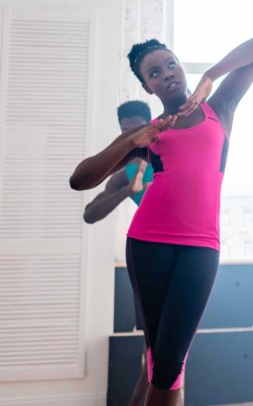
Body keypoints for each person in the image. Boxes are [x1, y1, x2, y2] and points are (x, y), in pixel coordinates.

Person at [70, 35, 253, 406]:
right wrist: (130, 143)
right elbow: (80, 180)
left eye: (171, 64)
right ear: (148, 86)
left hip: (202, 247)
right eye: (155, 73)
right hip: (148, 244)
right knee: (162, 361)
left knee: (168, 361)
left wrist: (213, 73)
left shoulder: (220, 107)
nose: (167, 74)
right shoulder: (148, 132)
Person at [82, 100, 154, 405]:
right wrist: (129, 189)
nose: (132, 135)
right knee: (152, 354)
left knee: (171, 355)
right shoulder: (126, 172)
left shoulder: (169, 154)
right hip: (150, 261)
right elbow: (90, 212)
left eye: (137, 128)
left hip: (189, 255)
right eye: (126, 131)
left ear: (151, 125)